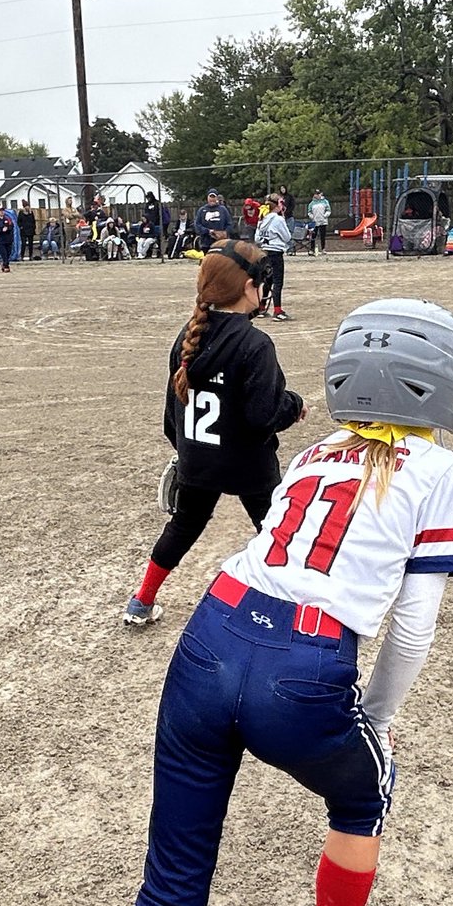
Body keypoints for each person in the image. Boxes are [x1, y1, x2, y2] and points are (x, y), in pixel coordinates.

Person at [65, 297, 453, 906]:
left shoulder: (318, 450)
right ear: (441, 386)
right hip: (308, 664)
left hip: (210, 635)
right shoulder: (440, 473)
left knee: (166, 897)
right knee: (365, 794)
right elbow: (410, 631)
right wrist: (383, 720)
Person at [122, 241, 306, 629]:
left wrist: (185, 452)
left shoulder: (188, 336)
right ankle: (296, 608)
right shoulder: (255, 343)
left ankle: (141, 601)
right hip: (247, 462)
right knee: (275, 531)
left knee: (183, 526)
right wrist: (294, 405)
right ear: (248, 287)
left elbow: (172, 413)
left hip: (198, 457)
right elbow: (262, 415)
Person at [254, 194, 292, 321]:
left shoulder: (262, 219)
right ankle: (277, 310)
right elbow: (287, 237)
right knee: (277, 281)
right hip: (276, 252)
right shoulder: (278, 219)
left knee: (267, 280)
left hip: (264, 253)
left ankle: (261, 308)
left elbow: (257, 239)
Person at [0, 203, 15, 273]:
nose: (1, 212)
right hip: (0, 240)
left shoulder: (8, 219)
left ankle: (4, 265)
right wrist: (1, 230)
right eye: (0, 210)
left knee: (8, 253)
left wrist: (7, 229)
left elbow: (11, 226)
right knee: (4, 254)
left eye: (2, 210)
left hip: (8, 239)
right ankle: (6, 266)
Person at [307, 189, 331, 255]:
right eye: (316, 194)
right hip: (315, 222)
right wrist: (312, 217)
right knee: (313, 235)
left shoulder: (325, 201)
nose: (317, 195)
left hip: (323, 221)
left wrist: (324, 216)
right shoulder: (311, 203)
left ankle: (323, 249)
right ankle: (312, 249)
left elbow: (328, 210)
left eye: (318, 194)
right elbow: (309, 212)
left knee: (322, 236)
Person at [278, 183, 297, 254]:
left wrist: (286, 212)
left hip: (289, 217)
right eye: (281, 189)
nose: (282, 190)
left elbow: (292, 206)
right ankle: (286, 248)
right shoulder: (279, 197)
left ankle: (291, 249)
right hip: (281, 218)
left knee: (290, 233)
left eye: (284, 188)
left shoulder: (290, 197)